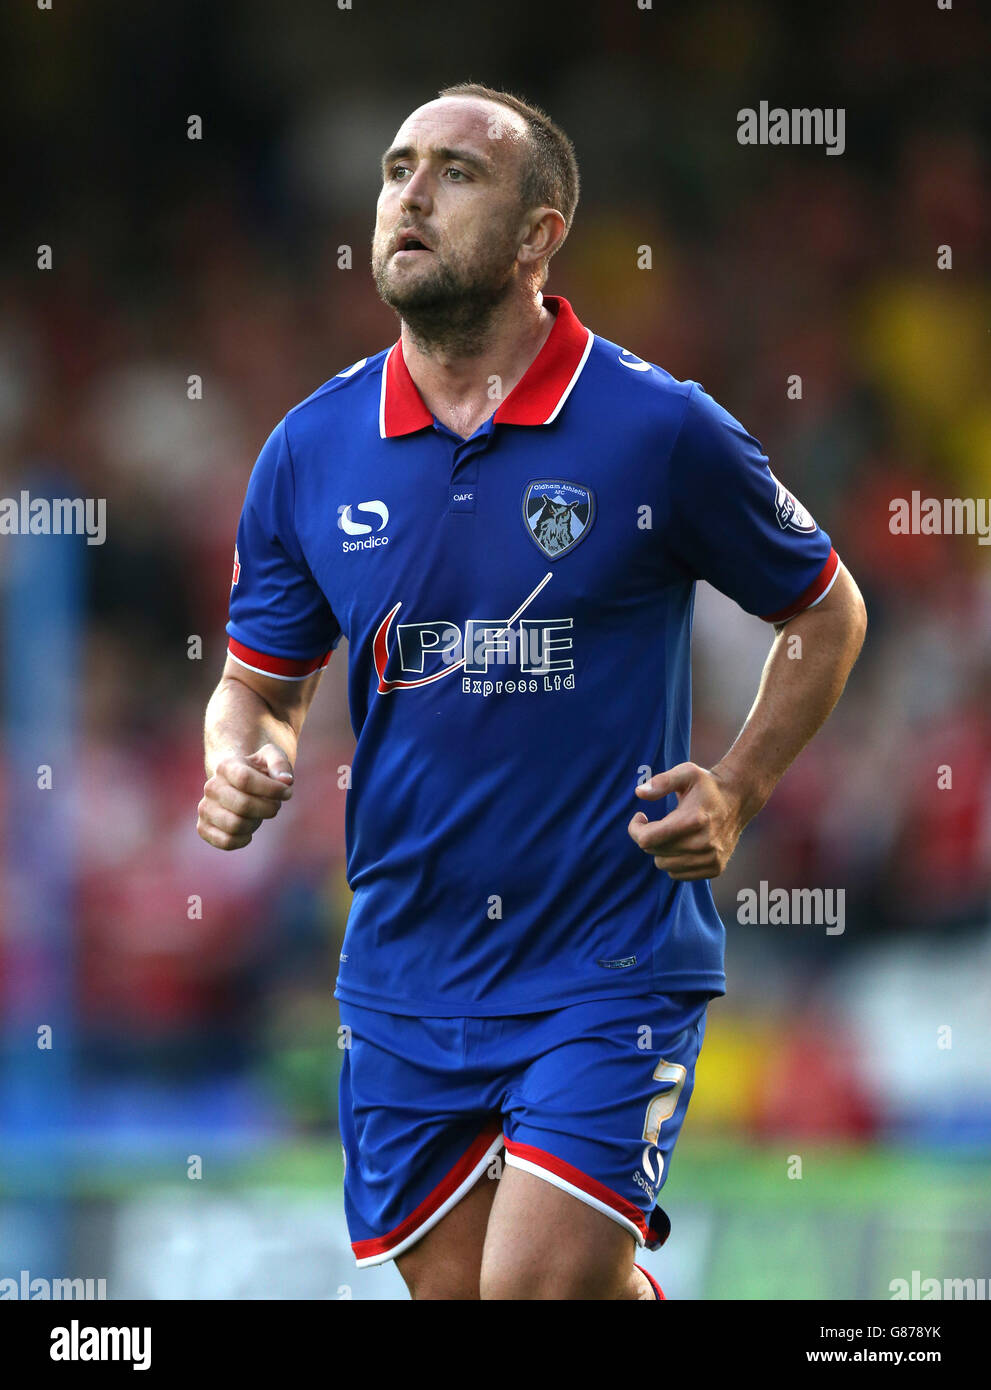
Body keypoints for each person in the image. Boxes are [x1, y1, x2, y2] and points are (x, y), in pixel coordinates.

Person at [197, 83, 867, 1300]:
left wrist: (739, 786)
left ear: (537, 233)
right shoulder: (310, 447)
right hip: (402, 972)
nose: (408, 193)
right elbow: (257, 686)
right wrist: (243, 754)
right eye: (397, 167)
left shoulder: (657, 428)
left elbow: (824, 610)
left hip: (608, 962)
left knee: (534, 1295)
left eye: (453, 173)